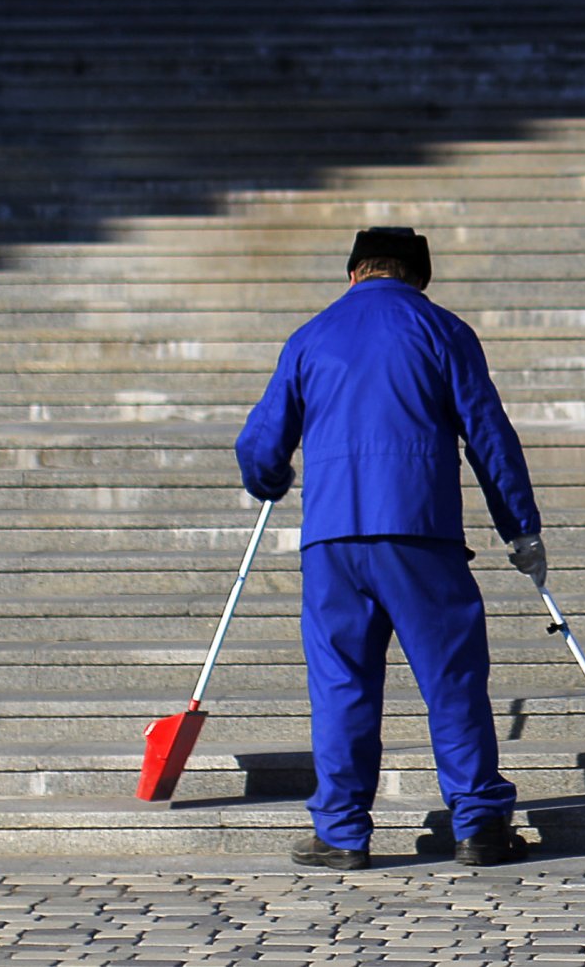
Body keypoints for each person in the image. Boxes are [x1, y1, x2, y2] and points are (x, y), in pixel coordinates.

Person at [235, 225, 549, 869]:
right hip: (420, 532)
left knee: (341, 683)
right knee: (453, 681)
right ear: (418, 277)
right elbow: (488, 434)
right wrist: (519, 525)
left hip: (332, 542)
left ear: (355, 272)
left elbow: (260, 445)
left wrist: (271, 478)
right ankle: (480, 825)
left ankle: (342, 832)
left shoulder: (309, 336)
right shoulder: (442, 329)